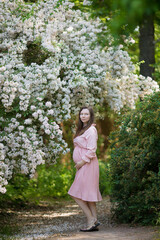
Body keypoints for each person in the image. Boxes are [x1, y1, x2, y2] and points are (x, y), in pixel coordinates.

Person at [68, 106, 102, 232]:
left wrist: (81, 162)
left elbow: (92, 150)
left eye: (86, 114)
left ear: (90, 116)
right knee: (88, 194)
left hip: (88, 165)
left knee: (75, 193)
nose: (83, 116)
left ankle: (90, 219)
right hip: (84, 166)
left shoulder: (91, 130)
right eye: (81, 114)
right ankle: (95, 221)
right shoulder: (83, 129)